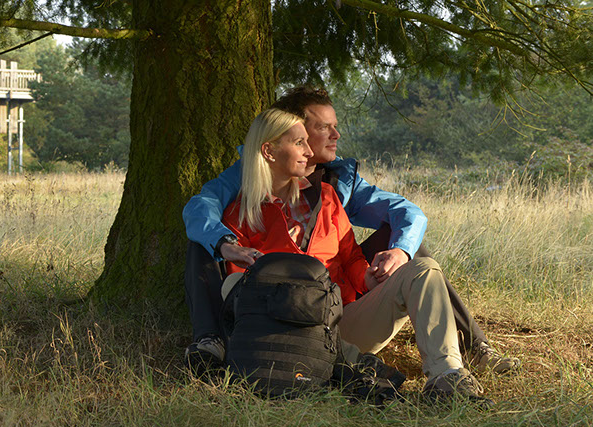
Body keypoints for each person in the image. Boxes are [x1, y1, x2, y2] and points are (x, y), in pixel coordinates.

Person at [183, 86, 519, 376]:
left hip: (339, 311)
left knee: (414, 251)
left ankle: (462, 359)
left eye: (335, 126)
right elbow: (201, 211)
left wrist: (382, 266)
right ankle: (210, 340)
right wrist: (224, 242)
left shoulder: (336, 184)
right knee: (204, 242)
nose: (335, 135)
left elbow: (396, 221)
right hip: (280, 325)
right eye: (322, 128)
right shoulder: (240, 192)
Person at [216, 108, 487, 401]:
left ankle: (447, 377)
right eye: (299, 143)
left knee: (424, 268)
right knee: (234, 284)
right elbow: (244, 301)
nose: (309, 152)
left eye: (307, 142)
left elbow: (350, 258)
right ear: (268, 151)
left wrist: (368, 278)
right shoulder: (238, 216)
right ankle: (351, 365)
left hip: (343, 324)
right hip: (286, 338)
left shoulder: (327, 198)